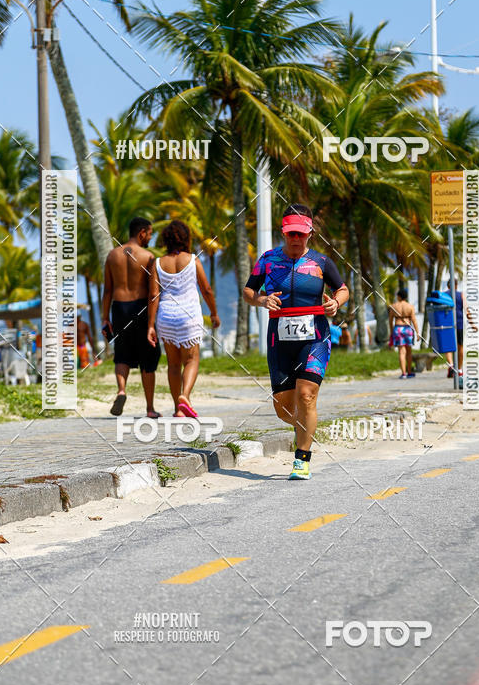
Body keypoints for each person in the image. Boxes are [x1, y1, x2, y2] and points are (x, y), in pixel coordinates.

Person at [243, 203, 349, 480]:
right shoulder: (267, 260)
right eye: (291, 234)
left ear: (310, 233)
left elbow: (343, 288)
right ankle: (304, 426)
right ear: (283, 232)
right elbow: (248, 291)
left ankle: (302, 460)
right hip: (280, 338)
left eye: (301, 234)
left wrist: (336, 303)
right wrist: (262, 299)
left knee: (306, 395)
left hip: (314, 336)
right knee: (284, 408)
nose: (295, 239)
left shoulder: (321, 262)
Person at [147, 220, 220, 417]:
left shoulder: (157, 263)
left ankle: (177, 408)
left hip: (166, 317)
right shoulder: (193, 260)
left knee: (173, 364)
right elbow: (206, 289)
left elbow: (154, 296)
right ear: (186, 238)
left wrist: (150, 326)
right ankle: (185, 398)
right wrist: (213, 313)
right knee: (191, 360)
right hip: (189, 316)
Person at [102, 216, 161, 418]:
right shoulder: (148, 257)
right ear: (142, 232)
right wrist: (151, 325)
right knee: (148, 359)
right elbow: (154, 293)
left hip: (119, 308)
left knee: (122, 354)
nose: (150, 237)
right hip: (141, 308)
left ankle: (121, 390)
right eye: (150, 233)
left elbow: (107, 290)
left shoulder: (112, 255)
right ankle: (150, 408)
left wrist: (104, 318)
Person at [445, 279, 476, 386]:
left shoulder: (443, 296)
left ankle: (450, 365)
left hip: (447, 325)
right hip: (459, 324)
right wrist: (473, 325)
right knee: (460, 347)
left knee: (448, 346)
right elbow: (467, 311)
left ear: (448, 286)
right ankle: (459, 369)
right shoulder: (461, 296)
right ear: (456, 285)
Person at [388, 289, 419, 378]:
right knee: (409, 352)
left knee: (401, 352)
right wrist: (417, 333)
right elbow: (414, 320)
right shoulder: (410, 306)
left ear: (399, 296)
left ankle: (403, 373)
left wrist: (391, 332)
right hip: (407, 328)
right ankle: (409, 372)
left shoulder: (394, 306)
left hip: (398, 328)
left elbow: (390, 321)